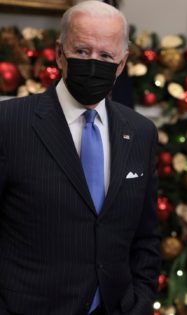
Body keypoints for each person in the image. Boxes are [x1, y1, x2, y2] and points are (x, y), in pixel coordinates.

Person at [0, 1, 160, 315]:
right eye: (82, 52)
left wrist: (140, 301)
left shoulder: (141, 132)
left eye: (105, 56)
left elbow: (146, 235)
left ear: (122, 63)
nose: (93, 63)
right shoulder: (9, 123)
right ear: (60, 54)